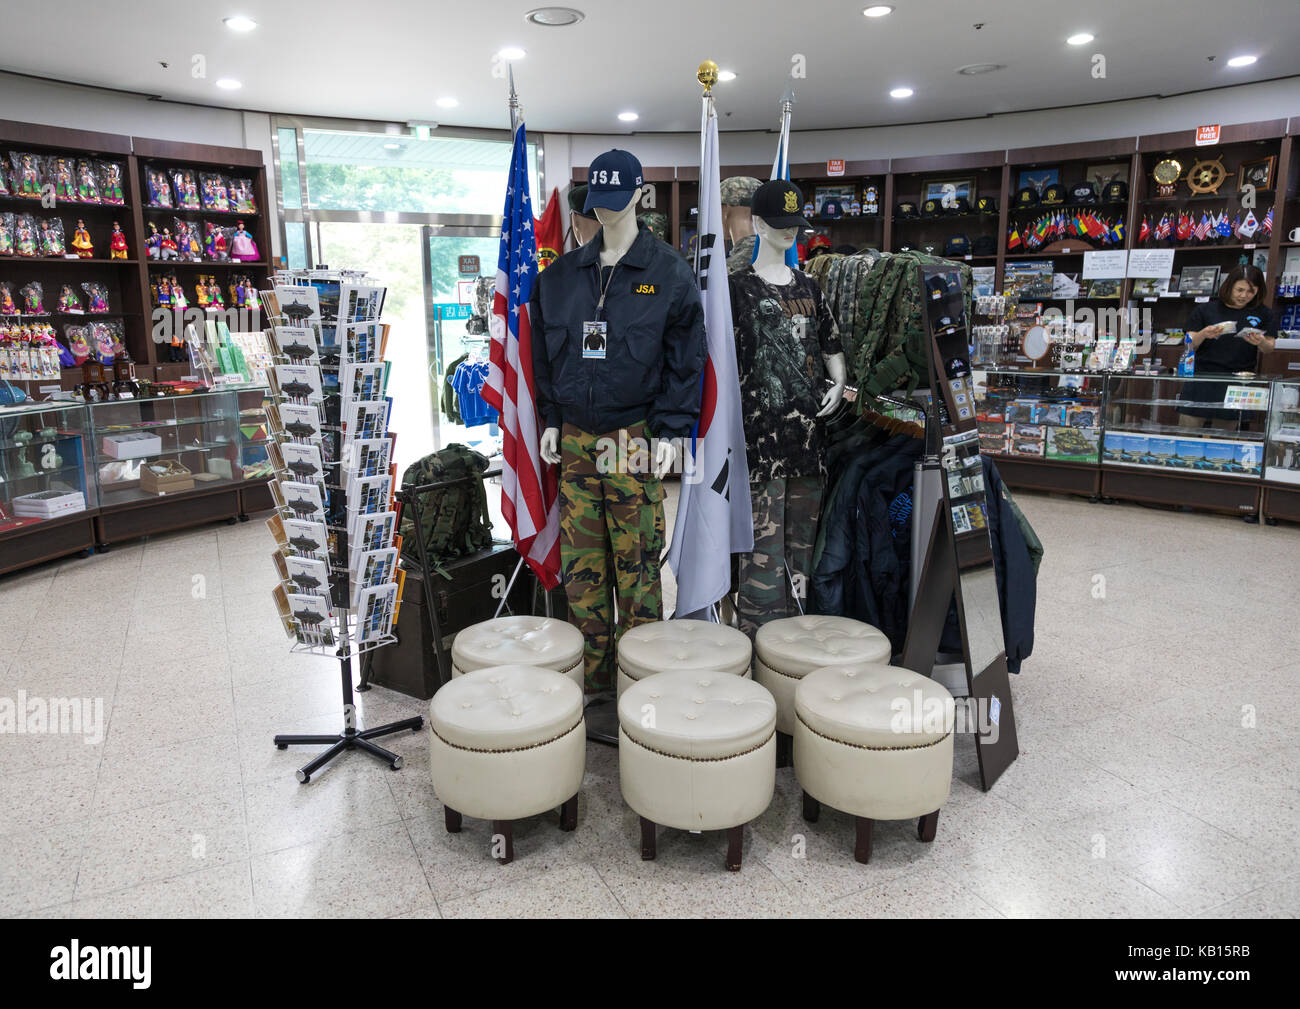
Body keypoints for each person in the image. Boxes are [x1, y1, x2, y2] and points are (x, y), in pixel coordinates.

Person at [1179, 264, 1277, 428]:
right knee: (1187, 434)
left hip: (1238, 383)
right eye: (1239, 290)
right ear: (1229, 286)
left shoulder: (1264, 313)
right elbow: (1189, 344)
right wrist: (1203, 334)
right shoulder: (1205, 309)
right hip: (1202, 379)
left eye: (1250, 292)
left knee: (1225, 440)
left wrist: (1261, 342)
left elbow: (1269, 348)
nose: (1244, 296)